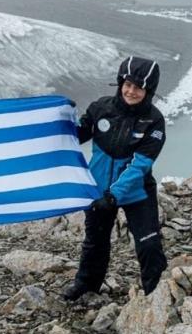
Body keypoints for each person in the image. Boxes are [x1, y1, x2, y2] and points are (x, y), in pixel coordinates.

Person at [63, 56, 168, 301]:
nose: (131, 91)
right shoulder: (101, 108)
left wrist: (113, 196)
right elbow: (76, 135)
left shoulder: (154, 121)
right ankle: (86, 287)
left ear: (148, 90)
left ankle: (156, 295)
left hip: (136, 192)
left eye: (138, 87)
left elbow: (139, 165)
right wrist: (64, 116)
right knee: (95, 243)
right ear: (120, 82)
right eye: (127, 84)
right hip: (100, 189)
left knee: (149, 244)